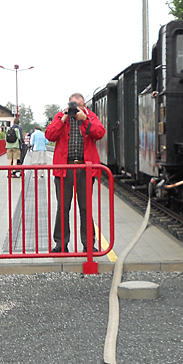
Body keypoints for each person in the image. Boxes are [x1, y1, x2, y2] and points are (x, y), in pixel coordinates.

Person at [44, 93, 105, 253]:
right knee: (63, 207)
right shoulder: (61, 116)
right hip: (64, 169)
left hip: (85, 169)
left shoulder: (90, 117)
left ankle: (89, 245)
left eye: (78, 106)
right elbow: (49, 135)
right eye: (73, 105)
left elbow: (99, 133)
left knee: (86, 208)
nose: (75, 109)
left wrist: (84, 119)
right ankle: (61, 244)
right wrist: (63, 118)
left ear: (84, 105)